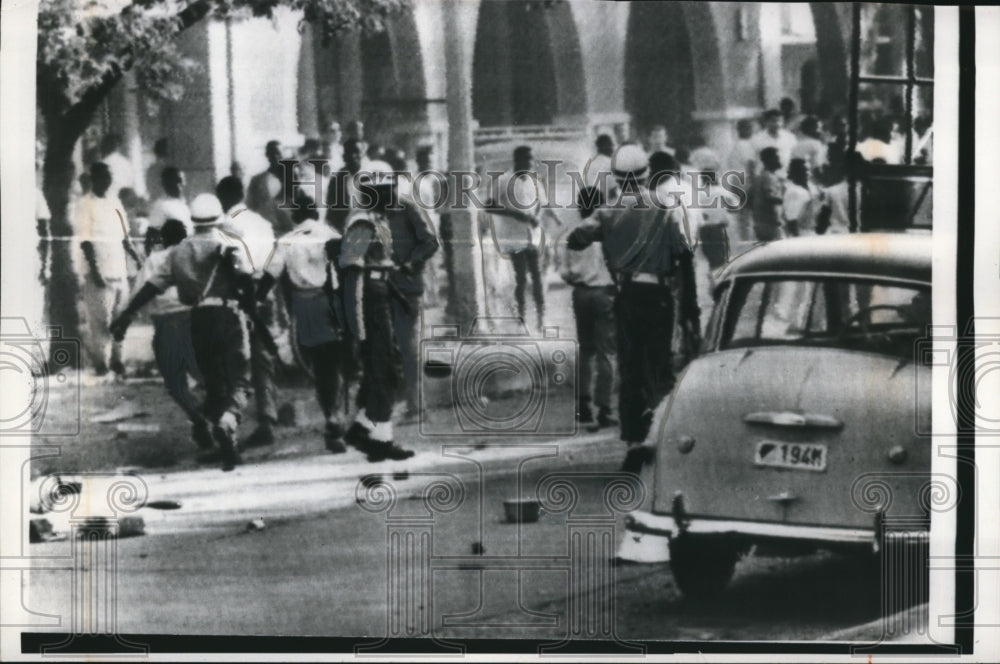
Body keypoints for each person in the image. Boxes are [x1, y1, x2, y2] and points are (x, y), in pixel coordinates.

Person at [567, 145, 698, 474]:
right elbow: (684, 256)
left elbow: (576, 239)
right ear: (646, 176)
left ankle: (634, 442)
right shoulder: (665, 207)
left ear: (617, 179)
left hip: (626, 296)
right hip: (660, 295)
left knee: (631, 370)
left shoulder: (608, 211)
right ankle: (662, 438)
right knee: (660, 368)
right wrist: (690, 308)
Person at [111, 194, 255, 471]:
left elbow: (153, 286)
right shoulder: (229, 245)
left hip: (198, 320)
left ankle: (226, 443)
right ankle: (229, 421)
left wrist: (127, 315)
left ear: (194, 220)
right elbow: (246, 281)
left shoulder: (179, 252)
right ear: (218, 218)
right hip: (228, 315)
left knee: (214, 383)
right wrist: (250, 313)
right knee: (241, 379)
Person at [261, 193, 349, 453]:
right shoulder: (330, 234)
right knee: (334, 363)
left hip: (304, 306)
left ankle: (332, 416)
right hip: (332, 302)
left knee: (319, 366)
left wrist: (254, 298)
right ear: (315, 212)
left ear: (295, 216)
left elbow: (270, 275)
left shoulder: (287, 241)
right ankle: (336, 417)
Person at [340, 164, 416, 462]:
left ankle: (363, 426)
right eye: (387, 190)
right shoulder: (362, 223)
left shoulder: (376, 220)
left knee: (385, 366)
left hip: (380, 296)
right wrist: (355, 327)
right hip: (369, 302)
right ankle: (381, 437)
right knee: (384, 367)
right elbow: (352, 275)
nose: (392, 195)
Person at [132, 218, 213, 452]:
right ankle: (211, 419)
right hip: (196, 320)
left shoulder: (154, 261)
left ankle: (199, 418)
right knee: (205, 375)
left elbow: (140, 292)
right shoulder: (195, 256)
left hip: (167, 323)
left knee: (175, 382)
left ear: (163, 239)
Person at [217, 176, 279, 449]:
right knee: (263, 359)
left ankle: (230, 422)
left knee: (233, 362)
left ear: (221, 197)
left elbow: (226, 266)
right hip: (265, 290)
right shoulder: (262, 223)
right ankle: (267, 420)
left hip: (239, 296)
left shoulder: (224, 226)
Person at [559, 186, 618, 431]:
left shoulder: (574, 234)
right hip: (605, 293)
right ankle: (604, 408)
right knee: (607, 351)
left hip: (581, 293)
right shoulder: (610, 233)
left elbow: (565, 272)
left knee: (586, 350)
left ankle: (583, 406)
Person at [385, 169, 440, 421]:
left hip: (406, 286)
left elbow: (430, 242)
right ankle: (401, 402)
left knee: (408, 346)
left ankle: (417, 406)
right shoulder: (372, 213)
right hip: (381, 288)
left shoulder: (407, 208)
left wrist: (410, 263)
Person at [486, 145, 560, 330]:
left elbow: (542, 204)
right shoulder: (503, 180)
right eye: (526, 159)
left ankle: (542, 318)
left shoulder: (535, 180)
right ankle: (522, 319)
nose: (529, 163)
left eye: (531, 159)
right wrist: (515, 214)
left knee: (537, 275)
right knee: (521, 278)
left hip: (532, 235)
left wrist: (540, 216)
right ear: (516, 160)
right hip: (512, 237)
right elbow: (489, 206)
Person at [73, 162, 130, 377]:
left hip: (119, 269)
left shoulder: (115, 202)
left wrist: (135, 257)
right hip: (98, 271)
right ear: (94, 178)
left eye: (109, 177)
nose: (107, 181)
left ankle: (118, 360)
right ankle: (101, 363)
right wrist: (95, 271)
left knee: (121, 317)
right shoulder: (85, 204)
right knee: (100, 321)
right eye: (103, 177)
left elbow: (125, 236)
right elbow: (86, 241)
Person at [246, 140, 294, 237]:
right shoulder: (257, 180)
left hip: (289, 232)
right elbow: (250, 207)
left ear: (283, 155)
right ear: (267, 155)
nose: (276, 157)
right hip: (265, 233)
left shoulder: (293, 179)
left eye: (279, 154)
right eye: (273, 154)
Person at [326, 138, 365, 233]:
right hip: (345, 230)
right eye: (349, 152)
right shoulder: (337, 179)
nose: (353, 156)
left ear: (362, 154)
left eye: (356, 152)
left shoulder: (373, 175)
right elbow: (332, 212)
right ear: (344, 156)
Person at [751, 147, 785, 242]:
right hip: (770, 225)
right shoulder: (769, 177)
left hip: (760, 223)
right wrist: (785, 200)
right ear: (769, 160)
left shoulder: (759, 177)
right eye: (777, 158)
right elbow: (769, 197)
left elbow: (748, 198)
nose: (779, 160)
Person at [782, 158, 822, 237]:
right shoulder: (793, 192)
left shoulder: (812, 188)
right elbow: (792, 221)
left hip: (813, 232)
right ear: (796, 172)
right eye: (804, 170)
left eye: (808, 170)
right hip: (802, 234)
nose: (808, 173)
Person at [148, 167, 192, 236]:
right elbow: (154, 233)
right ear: (166, 184)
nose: (180, 185)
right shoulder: (160, 206)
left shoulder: (183, 204)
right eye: (176, 181)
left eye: (182, 181)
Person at [100, 133, 135, 198]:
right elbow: (131, 183)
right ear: (119, 146)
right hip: (123, 200)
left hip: (107, 200)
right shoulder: (126, 163)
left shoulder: (102, 163)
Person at [584, 134, 616, 200]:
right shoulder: (610, 163)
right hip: (606, 203)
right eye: (611, 146)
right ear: (608, 147)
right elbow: (613, 190)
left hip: (591, 202)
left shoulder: (590, 164)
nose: (613, 150)